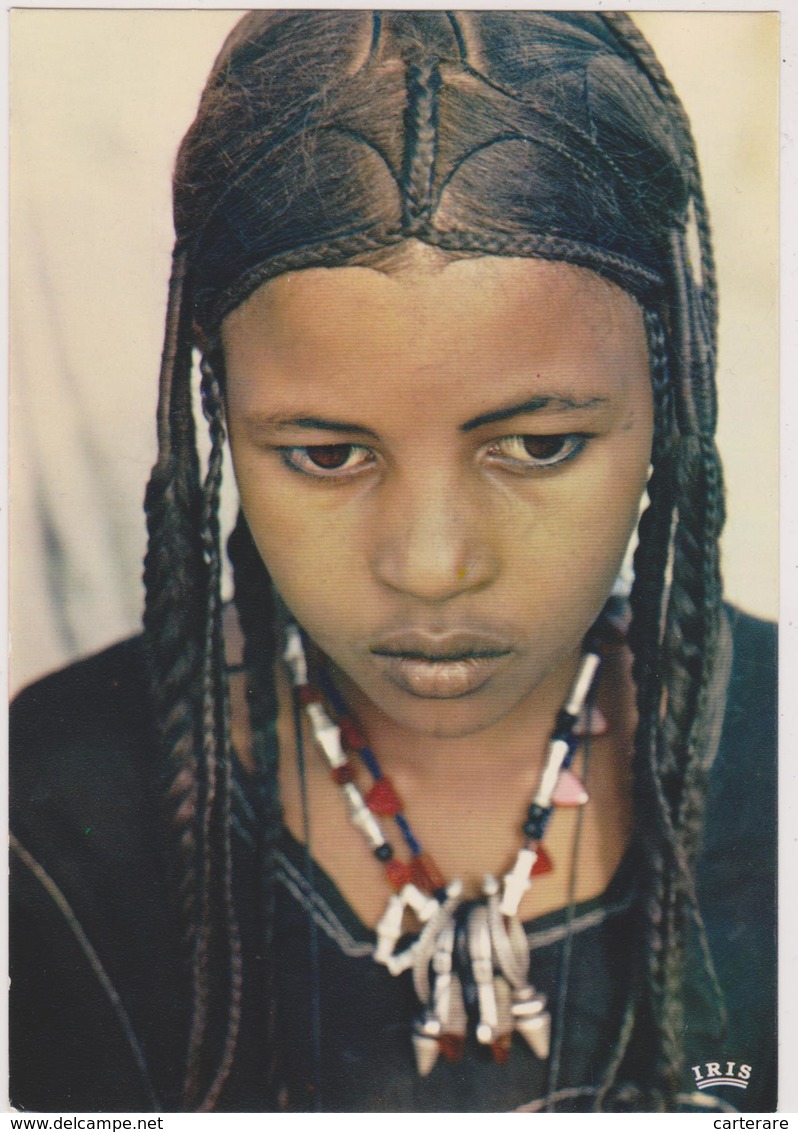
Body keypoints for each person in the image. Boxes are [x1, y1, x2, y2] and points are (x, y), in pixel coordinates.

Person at [9, 10, 777, 1114]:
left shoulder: (776, 756)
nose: (430, 566)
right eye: (326, 453)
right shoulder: (52, 811)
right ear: (218, 413)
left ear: (671, 398)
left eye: (542, 445)